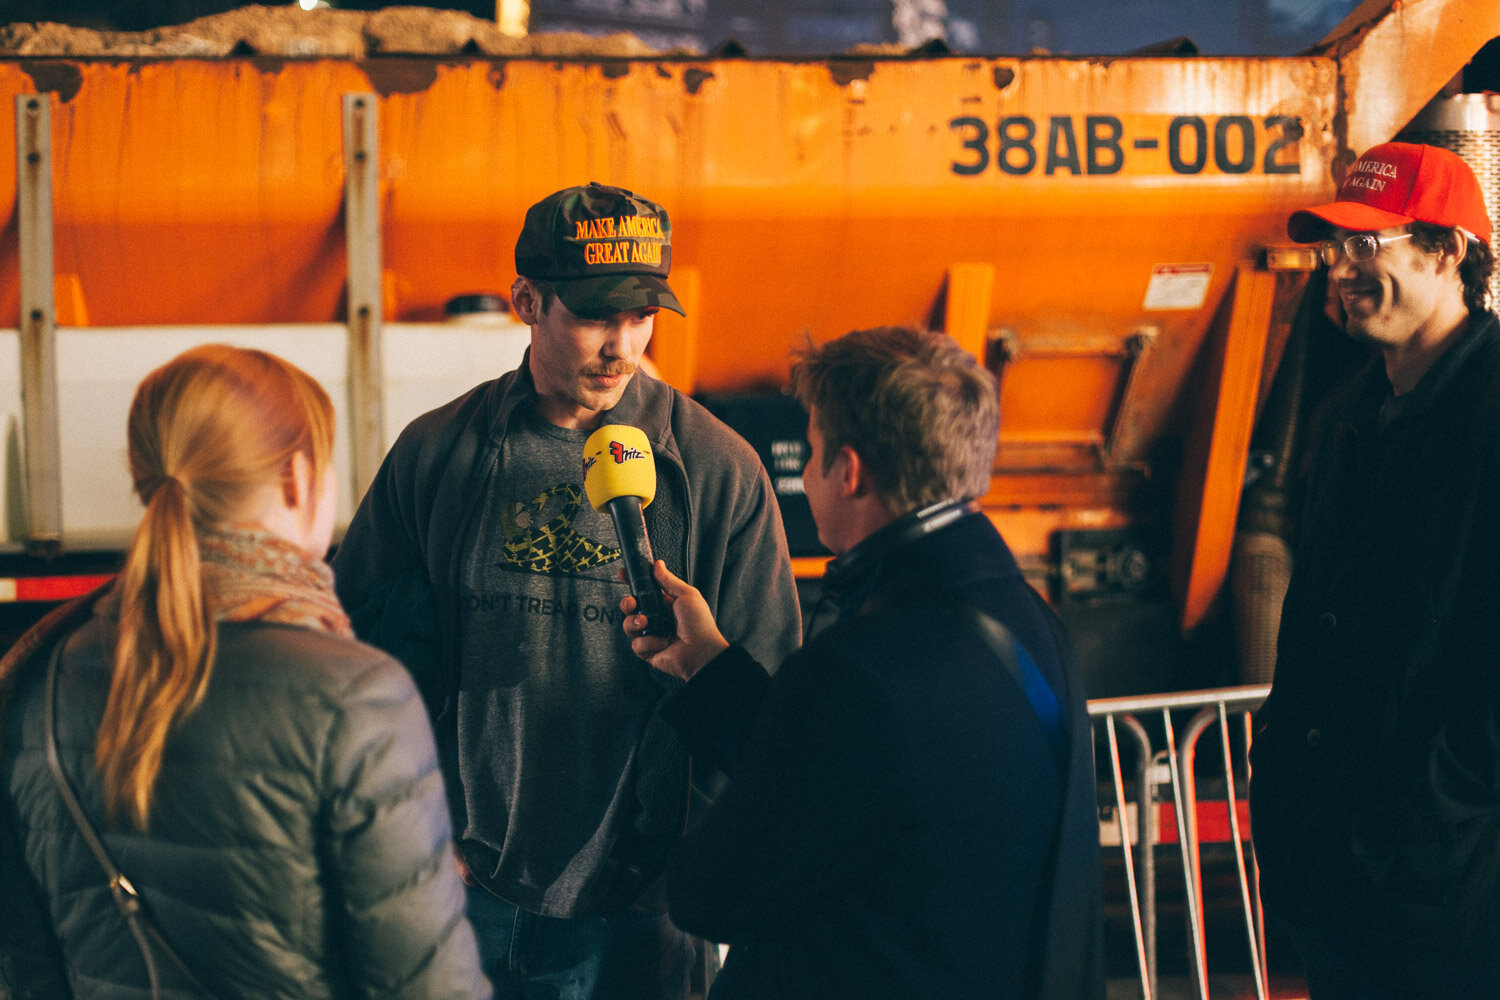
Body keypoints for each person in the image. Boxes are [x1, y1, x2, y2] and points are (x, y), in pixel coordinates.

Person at [331, 182, 802, 1000]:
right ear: (525, 301)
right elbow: (360, 661)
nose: (622, 344)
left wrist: (700, 867)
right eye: (592, 315)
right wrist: (413, 835)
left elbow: (768, 701)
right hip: (467, 885)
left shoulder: (720, 470)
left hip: (648, 909)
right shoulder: (436, 454)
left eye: (642, 314)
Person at [621, 326, 1104, 999]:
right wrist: (713, 667)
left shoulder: (861, 668)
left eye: (814, 452)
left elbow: (713, 895)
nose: (810, 471)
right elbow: (859, 782)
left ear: (849, 472)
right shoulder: (1031, 623)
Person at [0, 344, 489, 999]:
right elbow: (427, 986)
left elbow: (29, 968)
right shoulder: (355, 696)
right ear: (297, 477)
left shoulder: (39, 673)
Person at [1249, 141, 1500, 997]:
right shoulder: (1347, 416)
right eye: (1333, 250)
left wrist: (1435, 800)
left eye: (1367, 246)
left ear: (1446, 252)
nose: (1341, 271)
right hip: (1342, 875)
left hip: (1455, 885)